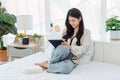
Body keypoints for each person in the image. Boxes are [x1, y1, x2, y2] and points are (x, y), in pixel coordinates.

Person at [35, 8, 91, 74]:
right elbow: (59, 49)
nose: (71, 23)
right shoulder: (66, 30)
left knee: (66, 69)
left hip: (72, 58)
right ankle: (51, 64)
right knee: (64, 47)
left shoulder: (86, 32)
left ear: (80, 19)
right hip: (61, 53)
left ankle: (47, 65)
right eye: (69, 21)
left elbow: (84, 48)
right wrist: (60, 42)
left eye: (73, 20)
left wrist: (70, 47)